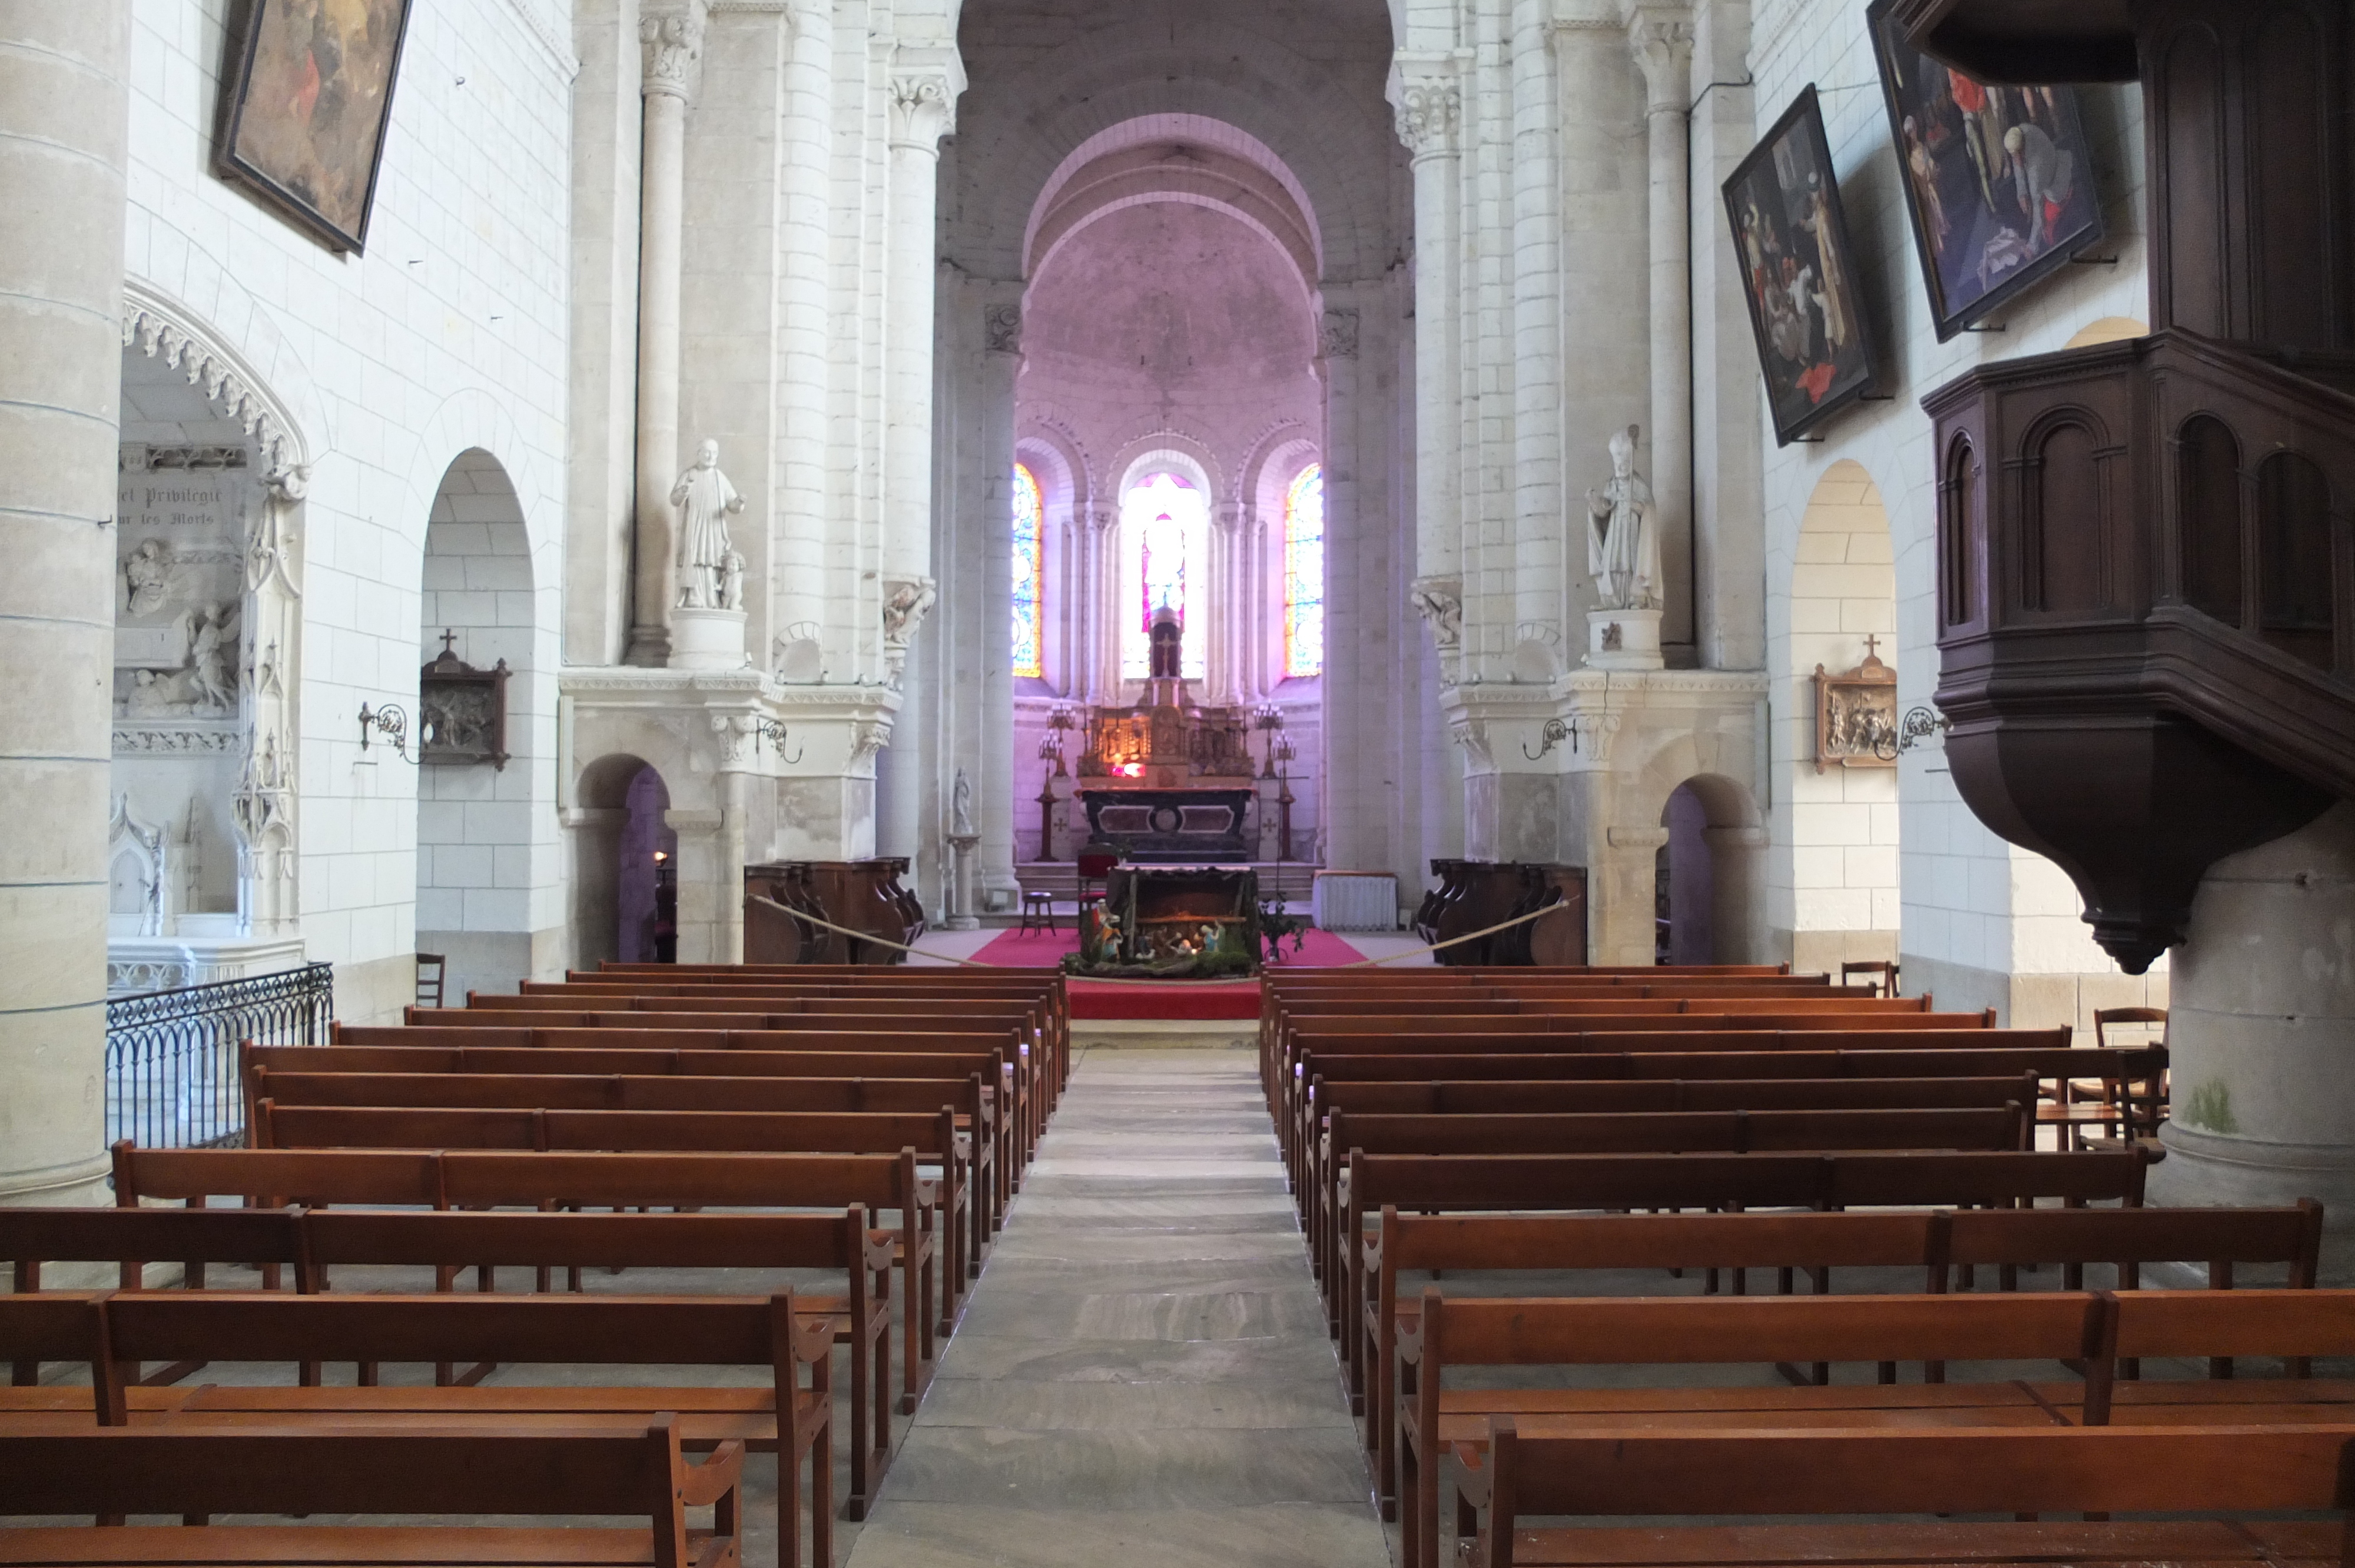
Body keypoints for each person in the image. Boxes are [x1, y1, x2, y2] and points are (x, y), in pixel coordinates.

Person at [1585, 427, 1661, 612]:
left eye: (1623, 463)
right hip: (1615, 531)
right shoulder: (1611, 485)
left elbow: (1650, 510)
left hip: (1633, 531)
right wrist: (1596, 504)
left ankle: (1636, 598)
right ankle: (1612, 600)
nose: (1620, 467)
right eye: (1617, 463)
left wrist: (1638, 507)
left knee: (1631, 564)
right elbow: (1604, 514)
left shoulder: (1639, 485)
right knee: (1613, 565)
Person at [671, 438, 745, 609]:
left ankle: (712, 597)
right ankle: (694, 596)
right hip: (695, 524)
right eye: (707, 452)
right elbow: (674, 500)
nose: (711, 456)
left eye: (714, 453)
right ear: (698, 454)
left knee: (712, 559)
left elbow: (732, 504)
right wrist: (682, 492)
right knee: (695, 558)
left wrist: (740, 502)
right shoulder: (690, 475)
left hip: (714, 526)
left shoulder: (720, 477)